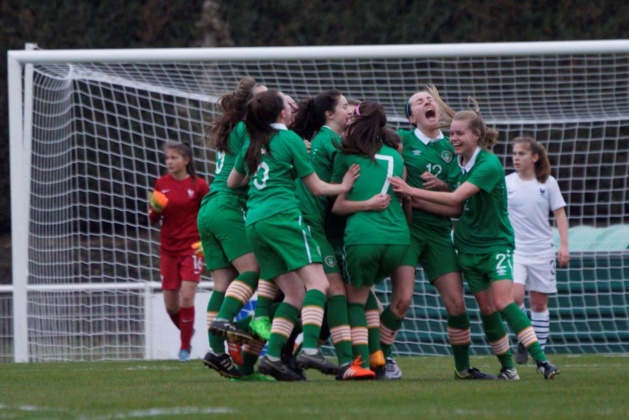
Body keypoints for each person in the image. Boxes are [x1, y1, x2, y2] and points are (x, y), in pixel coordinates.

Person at [388, 102, 561, 380]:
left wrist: (411, 191)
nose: (453, 138)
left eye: (460, 134)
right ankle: (508, 368)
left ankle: (541, 360)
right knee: (486, 308)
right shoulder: (456, 163)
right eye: (452, 133)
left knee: (504, 302)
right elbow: (456, 201)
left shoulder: (489, 163)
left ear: (476, 135)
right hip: (466, 247)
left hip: (495, 245)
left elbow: (457, 199)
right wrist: (433, 190)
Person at [227, 89, 360, 381]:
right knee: (319, 284)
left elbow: (233, 180)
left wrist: (264, 171)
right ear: (282, 114)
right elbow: (316, 188)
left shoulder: (252, 141)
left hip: (255, 222)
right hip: (283, 218)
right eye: (288, 105)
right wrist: (345, 185)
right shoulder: (289, 139)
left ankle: (273, 357)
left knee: (294, 292)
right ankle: (310, 348)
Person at [395, 86, 495, 380]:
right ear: (411, 118)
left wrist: (442, 187)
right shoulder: (401, 141)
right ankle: (382, 360)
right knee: (402, 300)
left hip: (439, 234)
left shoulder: (454, 147)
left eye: (429, 99)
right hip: (409, 232)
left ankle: (463, 368)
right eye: (418, 102)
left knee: (456, 302)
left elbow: (456, 204)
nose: (427, 102)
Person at [290, 90, 374, 380]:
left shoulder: (324, 140)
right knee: (334, 290)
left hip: (315, 223)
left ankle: (280, 352)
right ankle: (346, 361)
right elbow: (360, 163)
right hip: (309, 223)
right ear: (329, 114)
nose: (349, 110)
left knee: (300, 295)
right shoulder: (331, 141)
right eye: (343, 106)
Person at [197, 77, 271, 380]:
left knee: (222, 286)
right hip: (228, 206)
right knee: (254, 272)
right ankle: (232, 322)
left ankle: (218, 353)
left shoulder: (235, 127)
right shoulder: (246, 129)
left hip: (210, 208)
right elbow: (250, 170)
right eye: (265, 98)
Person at [330, 101, 409, 376]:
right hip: (399, 240)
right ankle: (377, 354)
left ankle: (360, 363)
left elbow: (337, 206)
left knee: (355, 298)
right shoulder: (396, 157)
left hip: (363, 237)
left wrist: (364, 203)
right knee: (369, 297)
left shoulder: (345, 157)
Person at [506, 136, 570, 364]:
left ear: (535, 157)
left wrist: (563, 245)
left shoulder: (548, 183)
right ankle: (526, 335)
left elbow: (560, 213)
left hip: (542, 251)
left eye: (521, 153)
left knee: (539, 303)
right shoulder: (507, 182)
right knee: (513, 298)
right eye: (514, 154)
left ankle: (538, 354)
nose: (516, 158)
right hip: (515, 250)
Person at [149, 141, 210, 362]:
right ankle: (186, 330)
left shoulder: (199, 185)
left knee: (187, 296)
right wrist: (155, 210)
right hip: (168, 249)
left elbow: (209, 213)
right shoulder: (161, 183)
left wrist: (208, 240)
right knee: (170, 304)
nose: (169, 162)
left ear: (186, 160)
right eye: (167, 158)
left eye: (174, 158)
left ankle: (184, 348)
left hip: (192, 248)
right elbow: (153, 219)